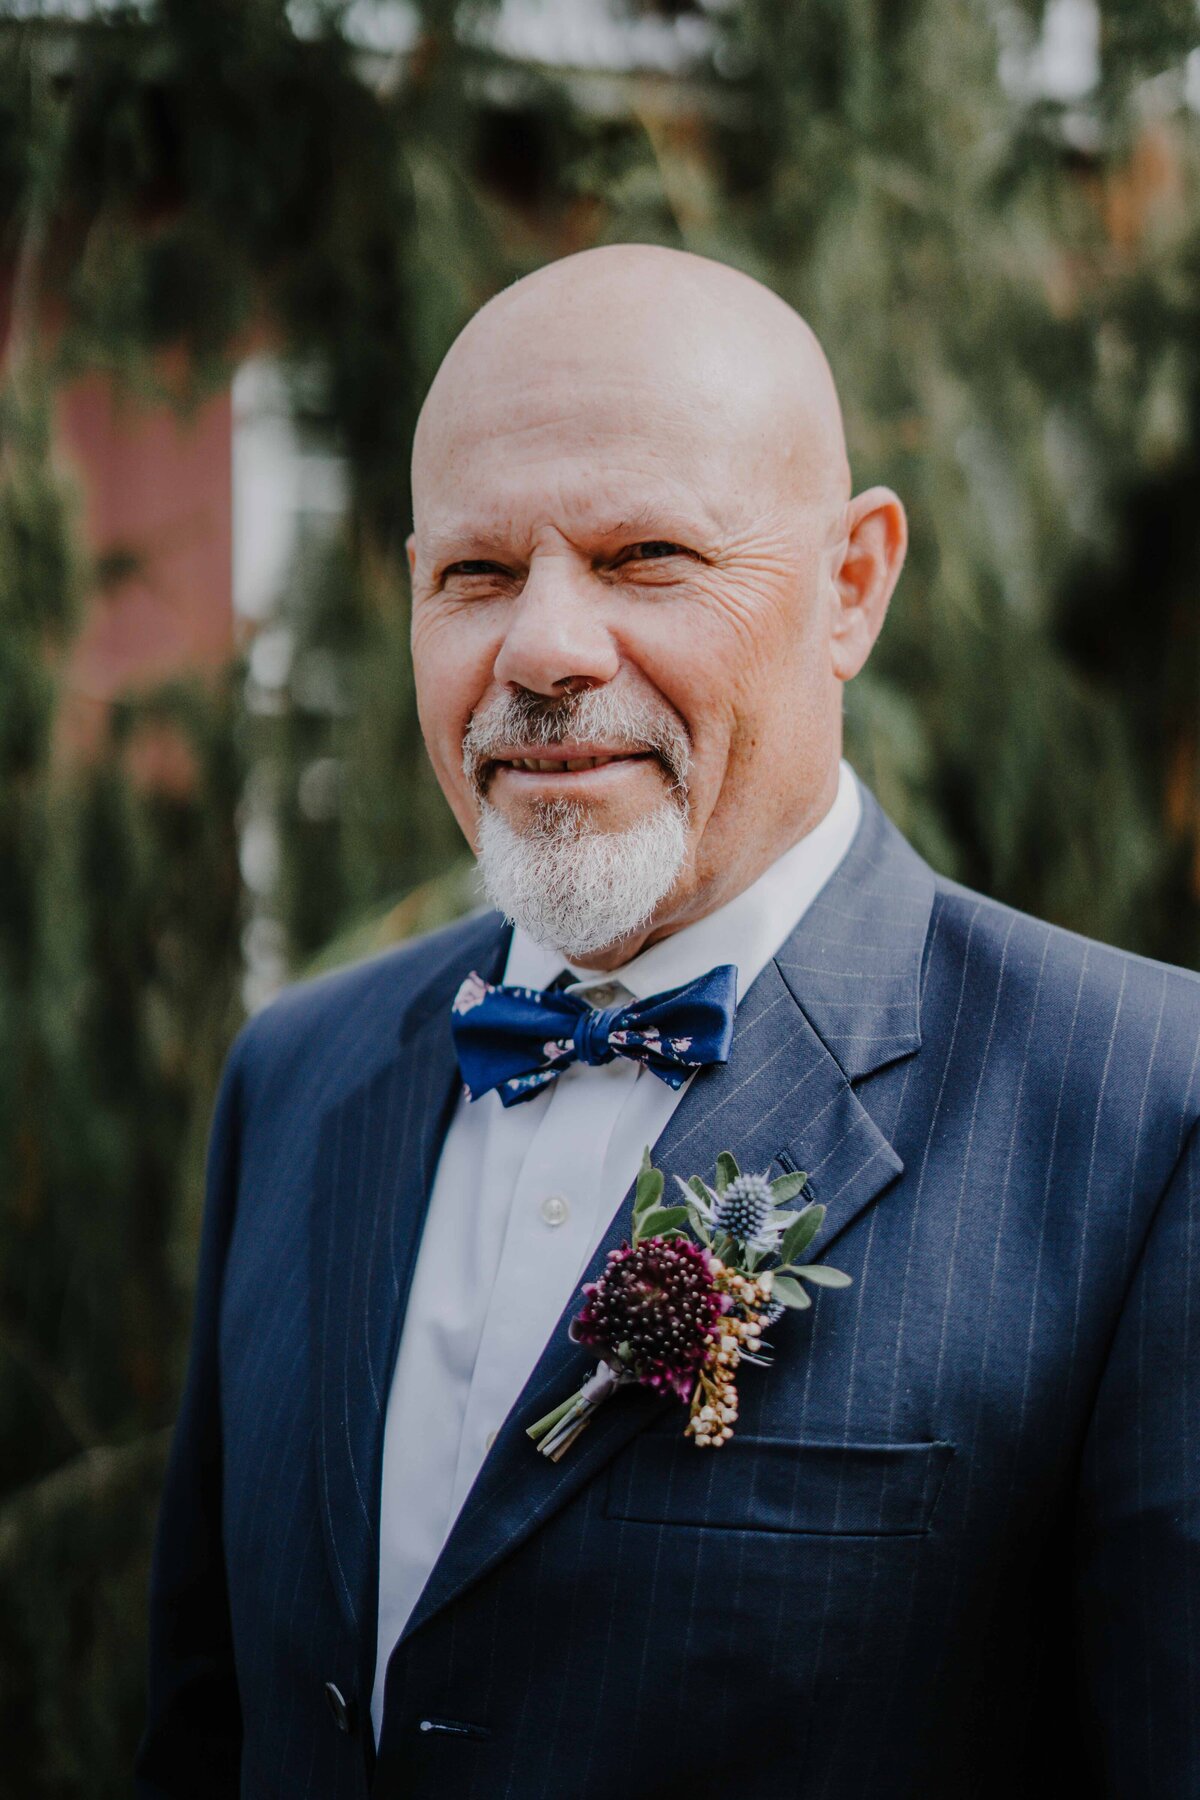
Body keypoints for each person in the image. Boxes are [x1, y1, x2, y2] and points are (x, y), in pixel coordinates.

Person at [136, 245, 1200, 1800]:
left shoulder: (1146, 1122)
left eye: (645, 558)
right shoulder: (294, 1082)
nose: (544, 650)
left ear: (852, 585)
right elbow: (208, 1732)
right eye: (477, 575)